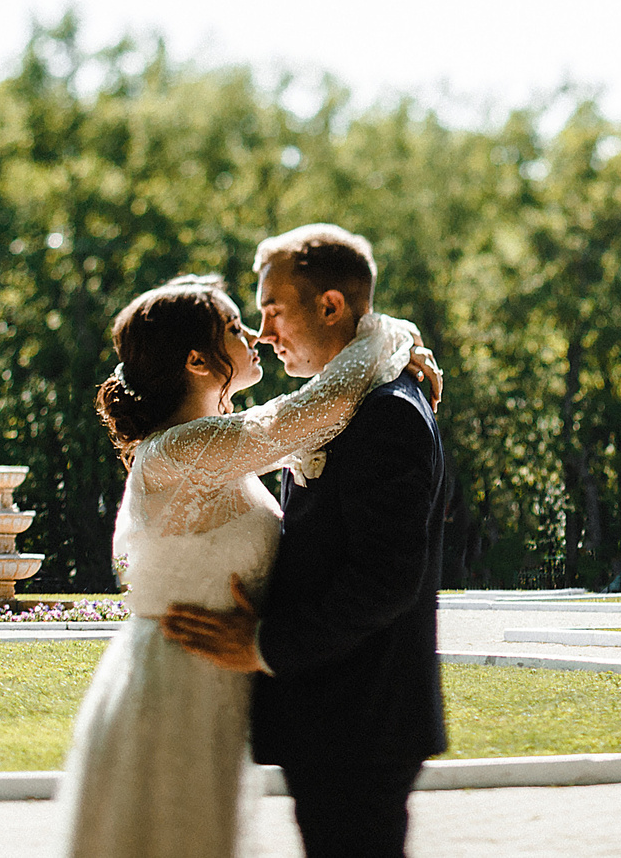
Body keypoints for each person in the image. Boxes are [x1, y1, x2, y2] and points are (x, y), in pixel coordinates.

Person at [53, 259, 438, 858]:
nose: (255, 335)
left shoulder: (216, 446)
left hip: (216, 681)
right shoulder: (179, 452)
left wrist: (392, 364)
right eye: (236, 326)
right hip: (175, 683)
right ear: (197, 361)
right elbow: (304, 416)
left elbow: (317, 426)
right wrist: (390, 336)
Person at [160, 224, 452, 858]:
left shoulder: (387, 413)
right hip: (330, 715)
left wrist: (264, 644)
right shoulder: (336, 409)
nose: (264, 332)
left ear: (330, 305)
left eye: (273, 310)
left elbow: (384, 581)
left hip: (361, 721)